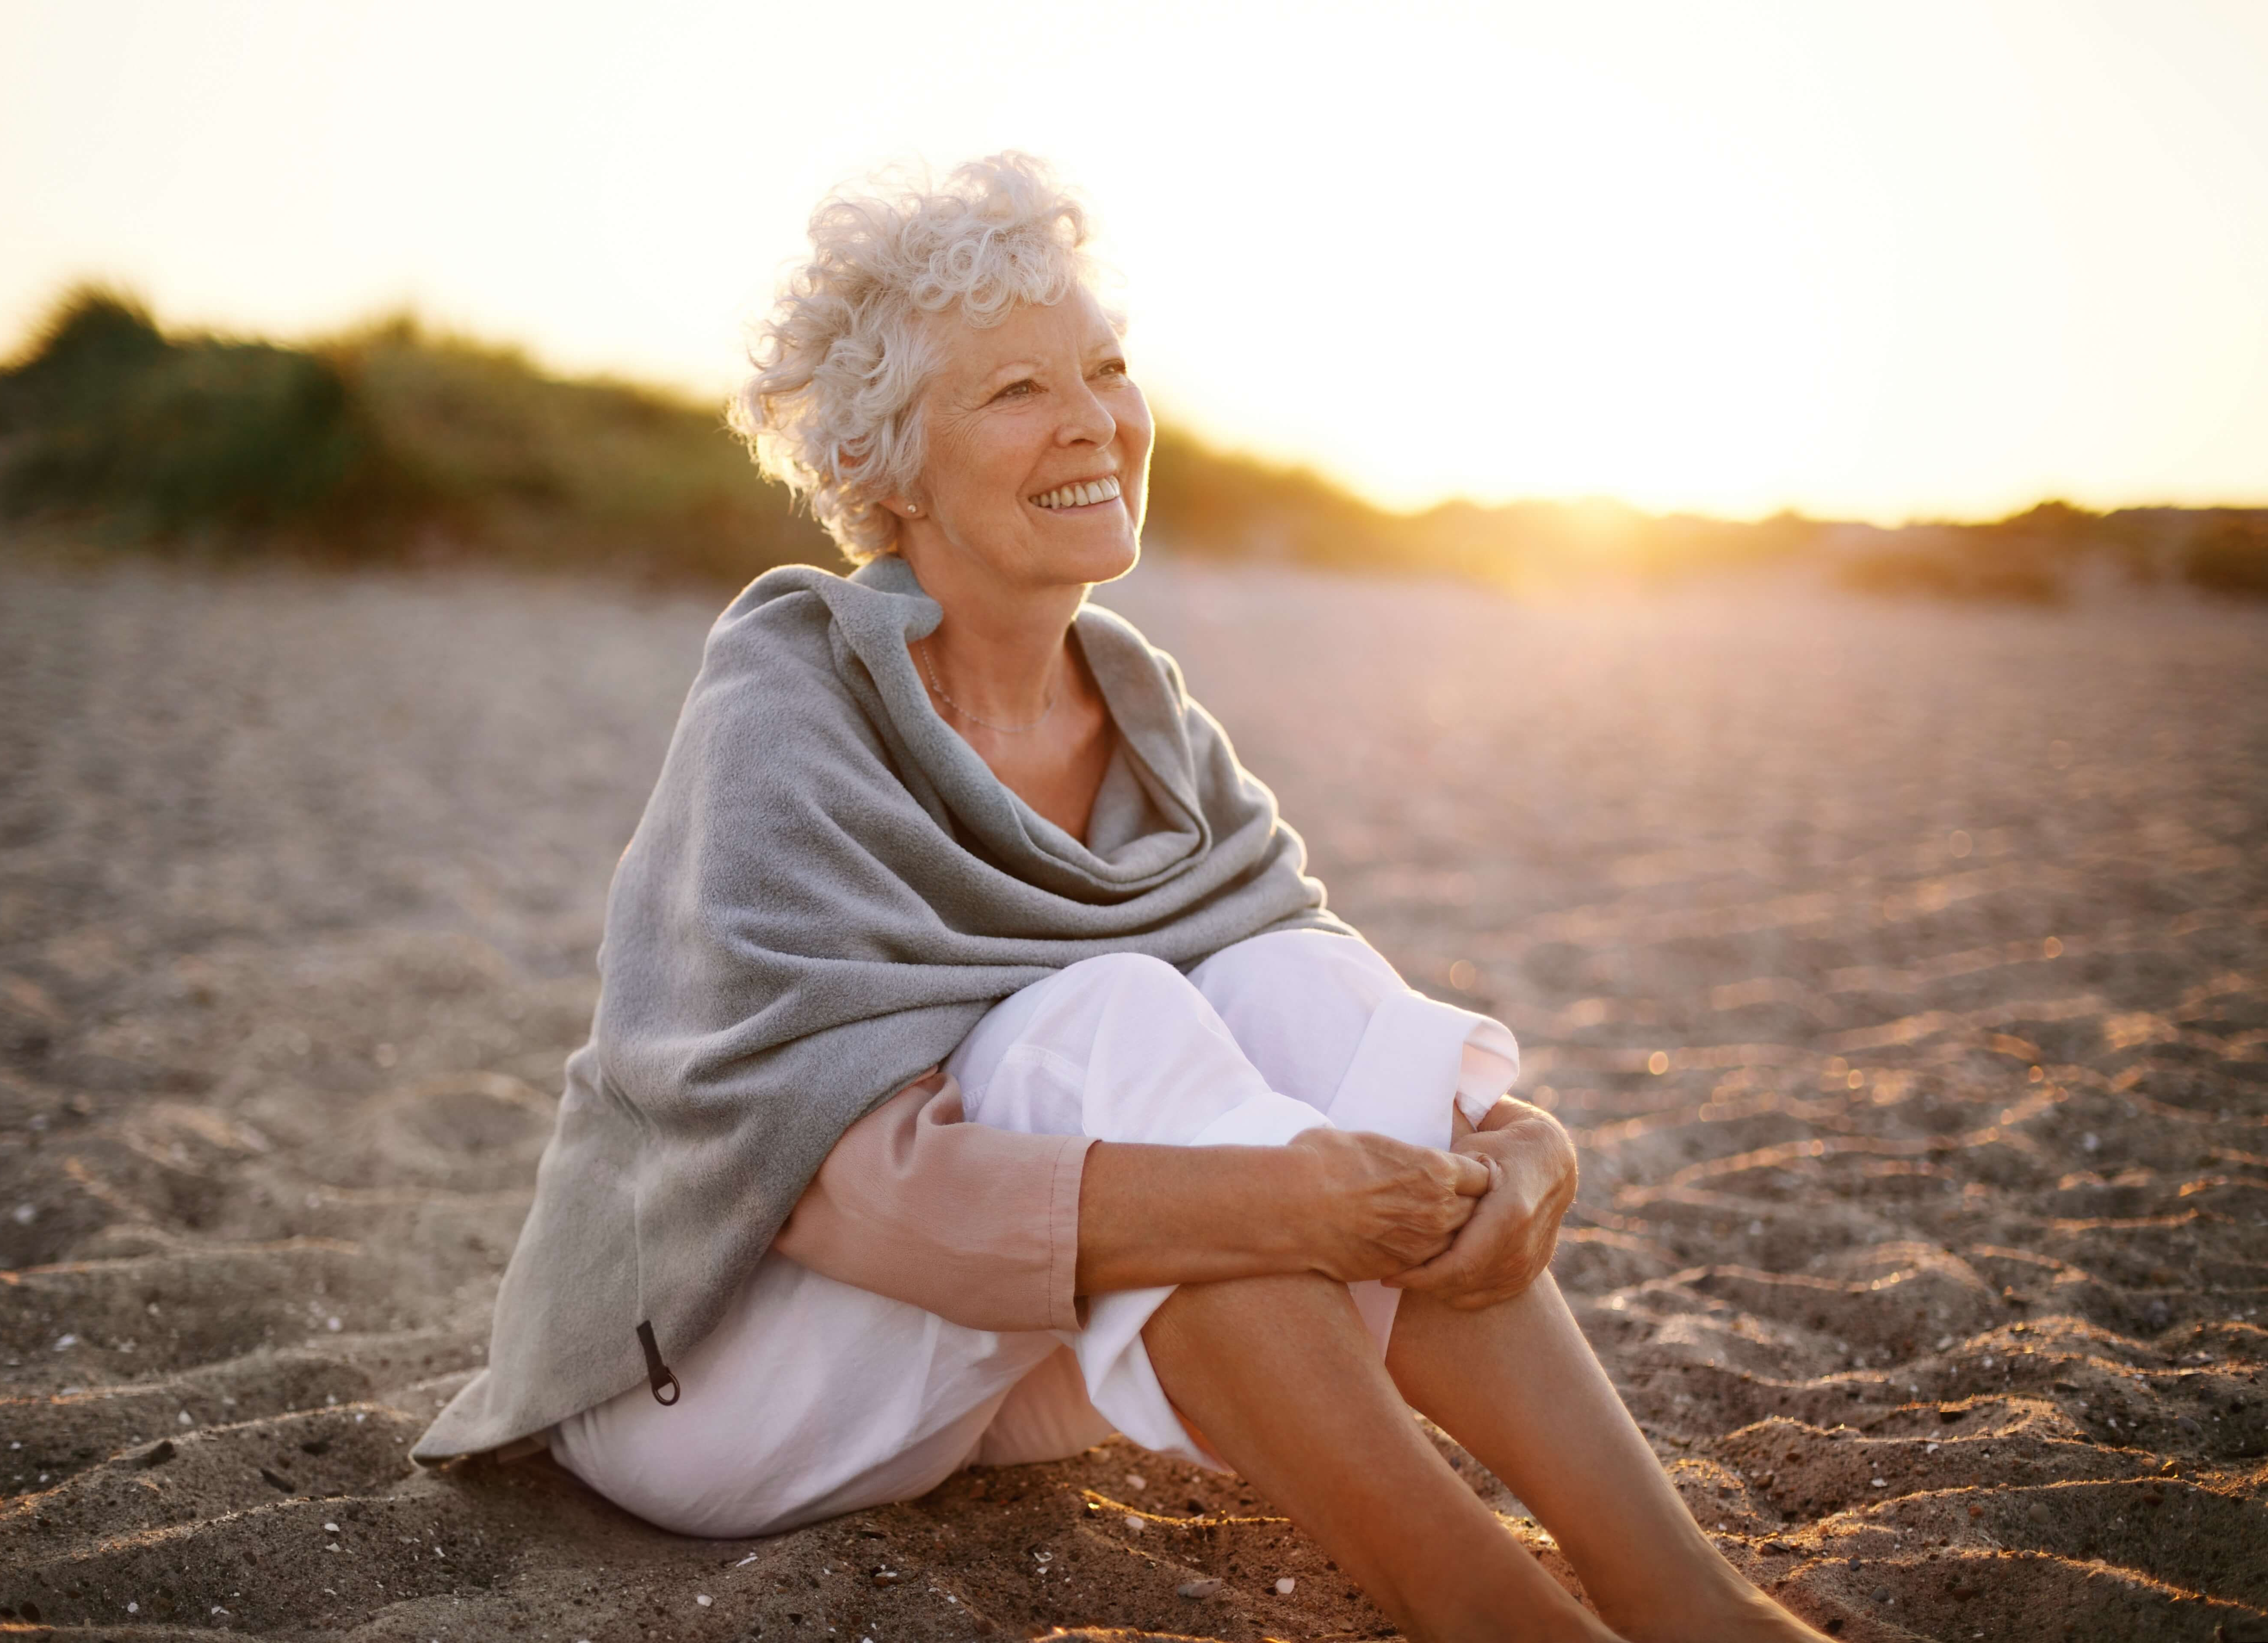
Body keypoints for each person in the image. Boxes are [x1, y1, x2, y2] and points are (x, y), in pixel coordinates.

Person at [414, 153, 1828, 1643]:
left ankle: (1686, 1599)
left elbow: (1337, 1028)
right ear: (891, 467)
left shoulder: (1148, 714)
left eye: (1106, 368)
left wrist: (1523, 1156)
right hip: (707, 1373)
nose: (1095, 419)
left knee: (1281, 982)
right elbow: (843, 1197)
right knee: (1099, 1016)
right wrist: (1286, 1200)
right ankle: (1488, 1612)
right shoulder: (789, 706)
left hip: (988, 1364)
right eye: (1017, 390)